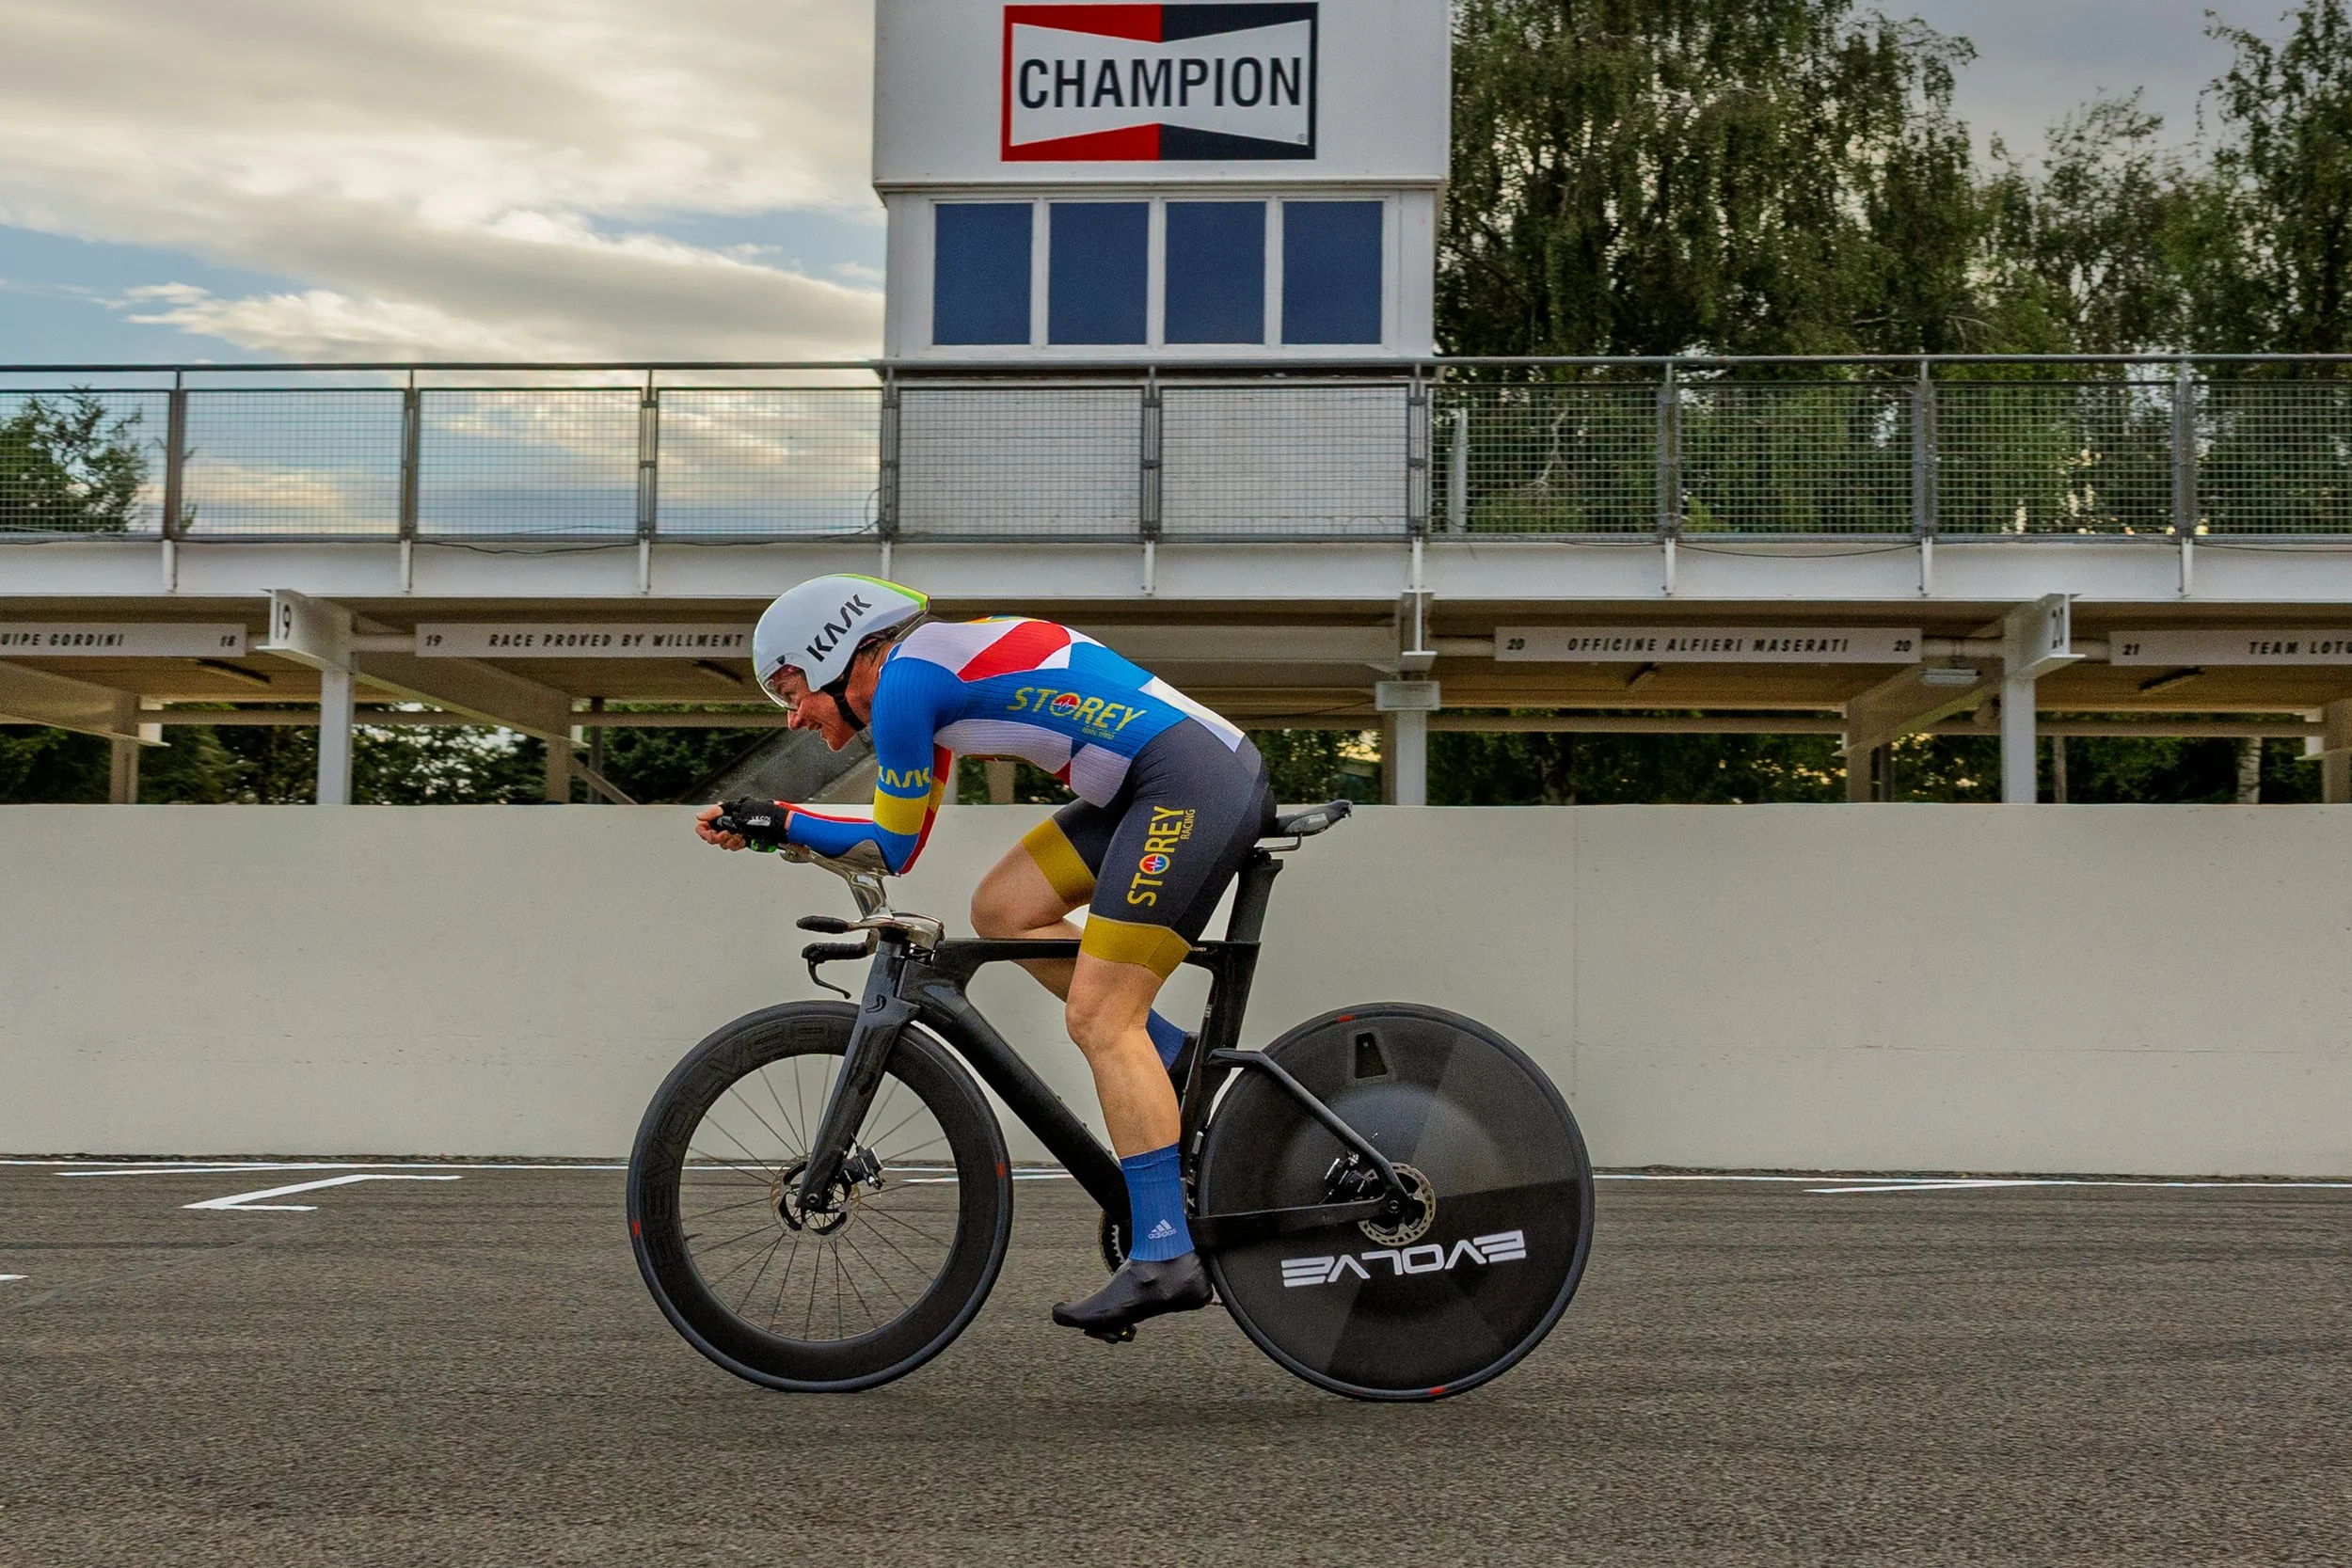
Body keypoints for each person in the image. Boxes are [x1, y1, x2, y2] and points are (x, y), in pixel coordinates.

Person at [694, 574, 1274, 1339]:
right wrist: (781, 826)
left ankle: (1166, 1252)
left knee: (1103, 1019)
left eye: (791, 685)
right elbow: (894, 845)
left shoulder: (905, 682)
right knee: (1002, 909)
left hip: (1185, 784)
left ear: (837, 648)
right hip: (1159, 781)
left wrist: (780, 817)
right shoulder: (919, 678)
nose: (793, 712)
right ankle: (1169, 1057)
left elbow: (887, 844)